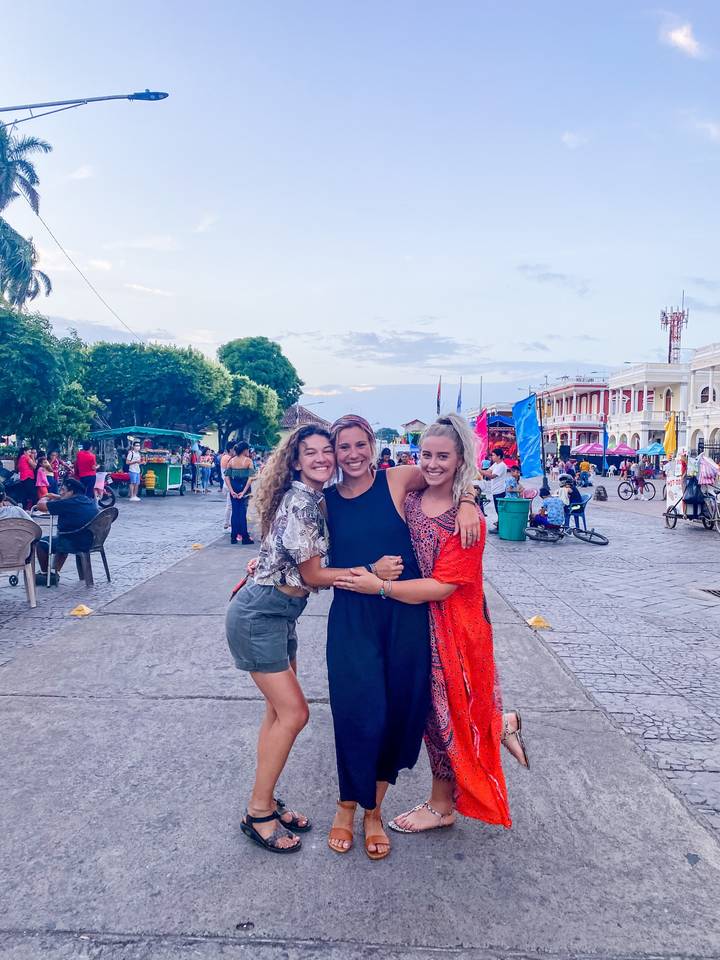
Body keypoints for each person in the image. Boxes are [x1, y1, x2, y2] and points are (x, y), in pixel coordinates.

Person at [334, 414, 526, 836]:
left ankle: (443, 804)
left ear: (460, 460)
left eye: (444, 456)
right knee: (435, 713)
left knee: (444, 716)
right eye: (427, 455)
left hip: (455, 624)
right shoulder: (413, 495)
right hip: (416, 622)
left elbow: (443, 586)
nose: (433, 464)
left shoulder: (465, 520)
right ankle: (499, 723)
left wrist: (377, 587)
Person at [227, 425, 403, 853]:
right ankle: (257, 813)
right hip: (260, 615)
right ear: (296, 459)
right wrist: (370, 573)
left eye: (329, 450)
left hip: (279, 615)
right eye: (312, 453)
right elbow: (312, 575)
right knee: (295, 714)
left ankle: (265, 798)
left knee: (276, 714)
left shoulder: (311, 499)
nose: (324, 458)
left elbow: (283, 555)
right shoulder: (302, 502)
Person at [321, 414, 480, 860]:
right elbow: (308, 564)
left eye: (359, 445)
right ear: (333, 453)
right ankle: (344, 806)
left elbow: (452, 471)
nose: (352, 455)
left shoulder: (396, 480)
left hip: (405, 619)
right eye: (343, 447)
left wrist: (469, 501)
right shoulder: (324, 501)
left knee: (396, 716)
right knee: (357, 714)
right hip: (353, 620)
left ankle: (373, 811)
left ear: (373, 445)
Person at [34, 477, 99, 579]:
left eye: (63, 490)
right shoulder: (88, 500)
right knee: (62, 535)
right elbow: (66, 500)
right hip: (91, 539)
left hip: (74, 541)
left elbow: (40, 506)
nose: (61, 492)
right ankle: (55, 572)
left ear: (71, 492)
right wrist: (57, 497)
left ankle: (45, 573)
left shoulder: (69, 503)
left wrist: (45, 497)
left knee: (42, 543)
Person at [224, 442, 255, 544]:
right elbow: (251, 478)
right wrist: (244, 491)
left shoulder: (231, 461)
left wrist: (231, 490)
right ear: (245, 450)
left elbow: (226, 477)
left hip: (234, 486)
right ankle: (244, 537)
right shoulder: (248, 461)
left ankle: (233, 537)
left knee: (235, 512)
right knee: (242, 512)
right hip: (244, 487)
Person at [478, 447, 508, 530]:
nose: (492, 457)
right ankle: (500, 525)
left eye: (493, 455)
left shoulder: (502, 466)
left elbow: (491, 476)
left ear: (499, 456)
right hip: (495, 490)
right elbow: (488, 471)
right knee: (497, 509)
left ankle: (501, 527)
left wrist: (479, 470)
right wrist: (480, 471)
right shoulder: (496, 464)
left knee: (499, 510)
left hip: (500, 491)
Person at [220, 441, 235, 530]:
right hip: (228, 483)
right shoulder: (228, 458)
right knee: (230, 505)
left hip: (226, 483)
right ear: (230, 449)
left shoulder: (225, 457)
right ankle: (226, 524)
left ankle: (227, 523)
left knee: (229, 505)